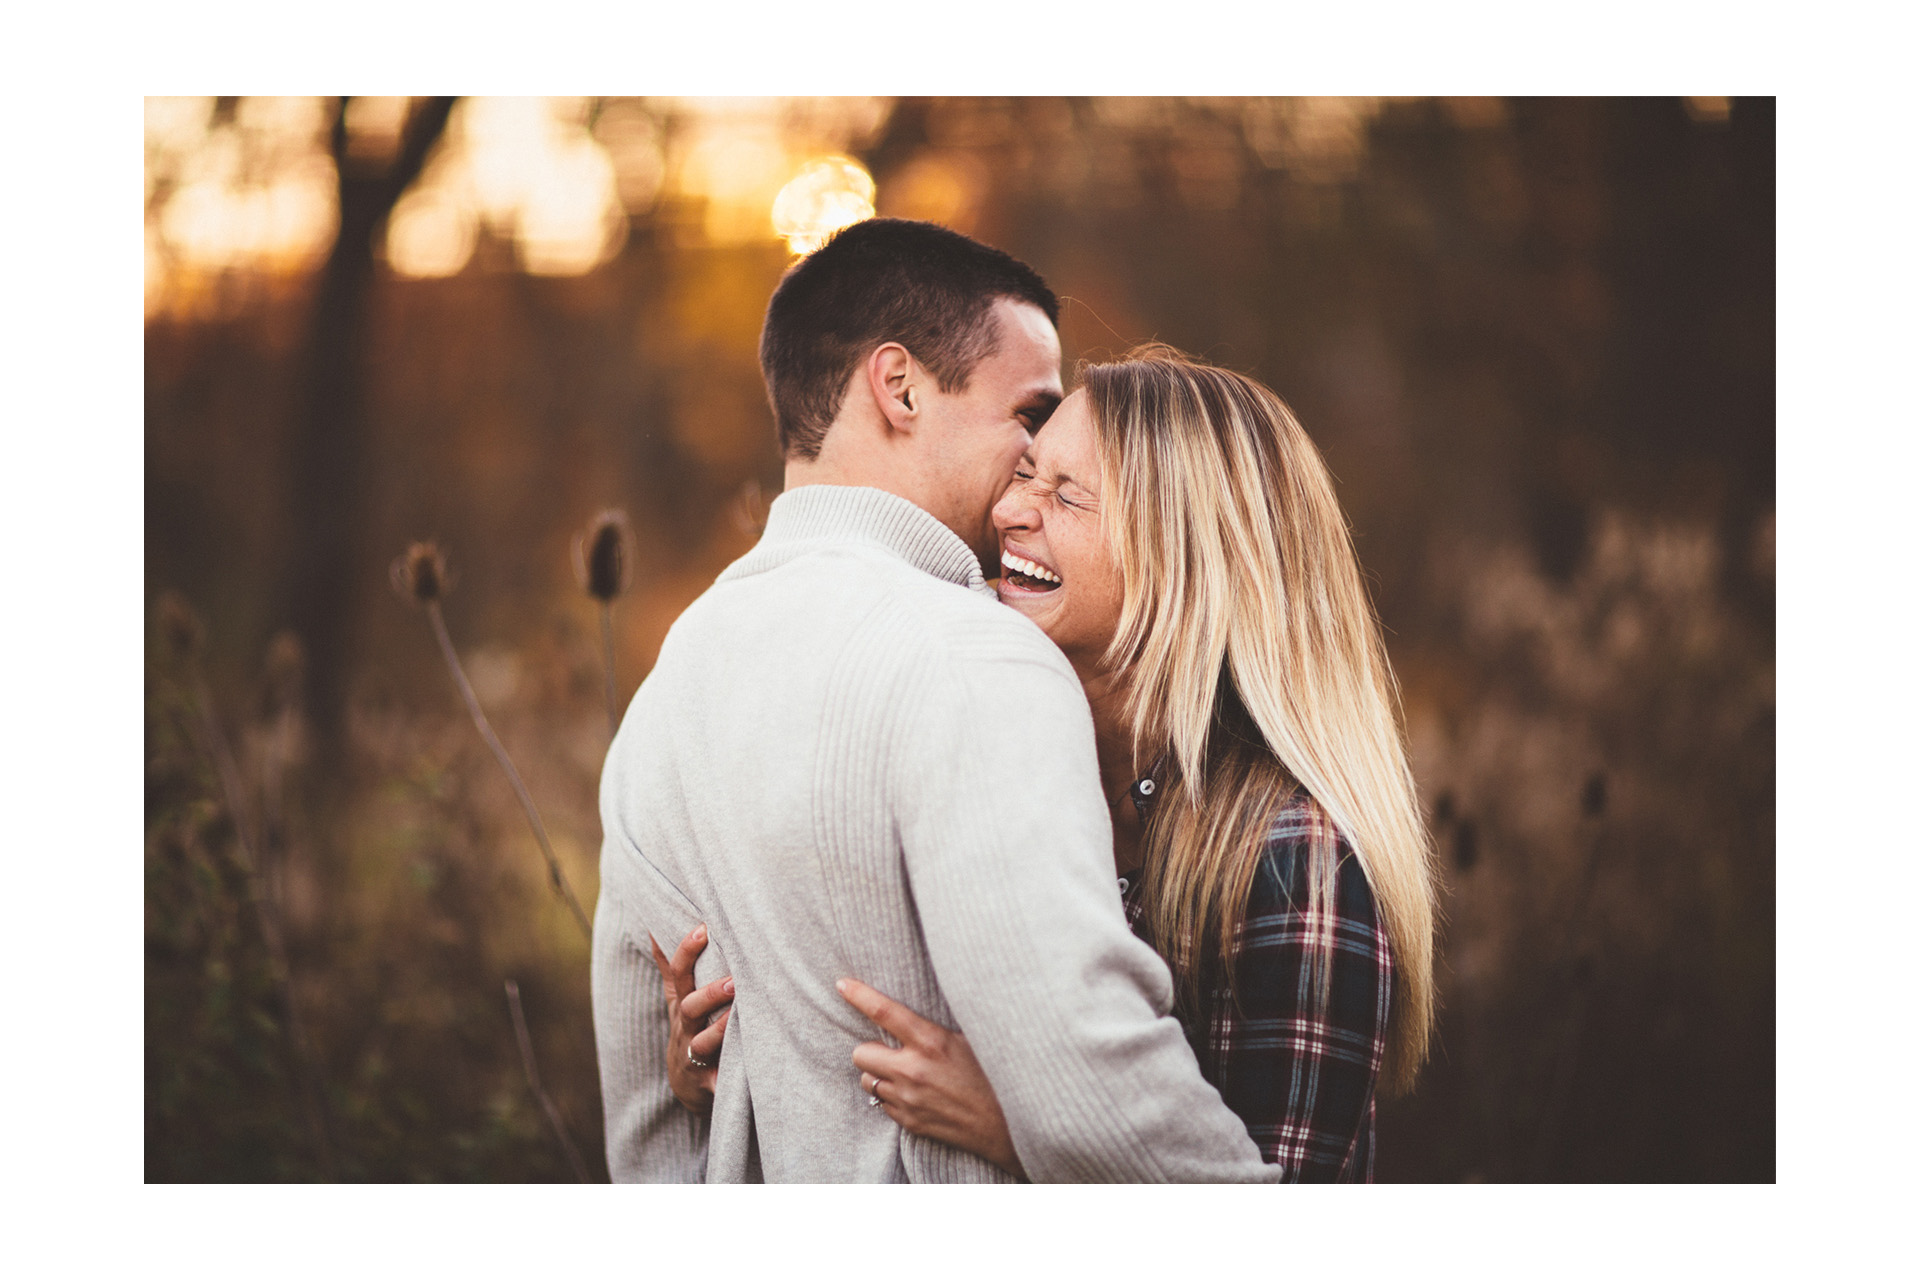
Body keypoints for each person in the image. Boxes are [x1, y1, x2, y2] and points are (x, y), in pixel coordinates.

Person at [591, 219, 1279, 1182]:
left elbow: (649, 1135)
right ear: (901, 386)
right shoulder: (976, 660)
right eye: (1030, 416)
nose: (1039, 461)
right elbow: (1091, 1078)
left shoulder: (665, 697)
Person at [659, 348, 1438, 1181]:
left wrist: (1025, 1127)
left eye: (1065, 495)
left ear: (1187, 559)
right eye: (1025, 472)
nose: (1010, 512)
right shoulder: (1003, 777)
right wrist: (721, 1061)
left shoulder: (1297, 868)